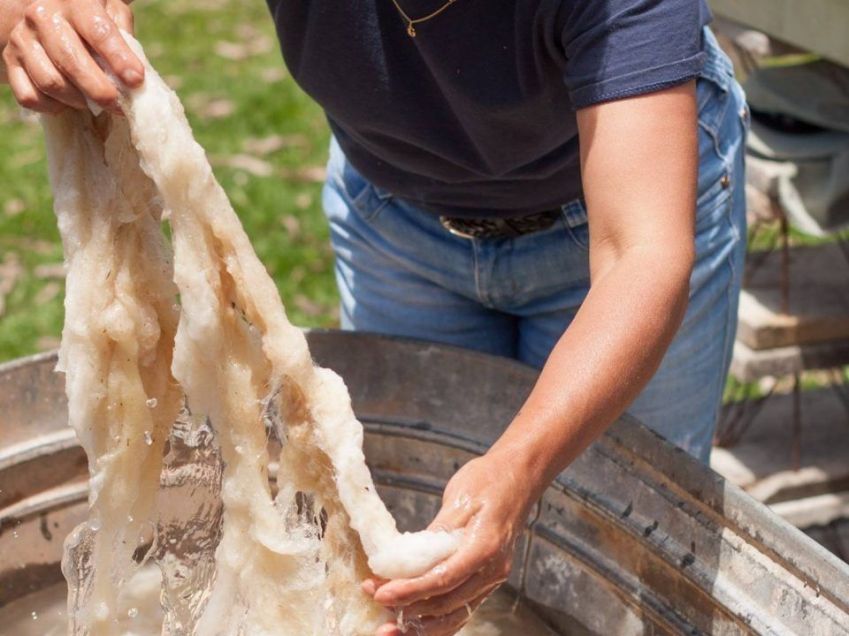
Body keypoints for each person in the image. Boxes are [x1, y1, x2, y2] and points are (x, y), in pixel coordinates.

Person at [0, 1, 748, 634]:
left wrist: (515, 472)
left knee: (618, 538)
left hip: (606, 221)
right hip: (397, 211)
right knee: (408, 548)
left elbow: (639, 255)